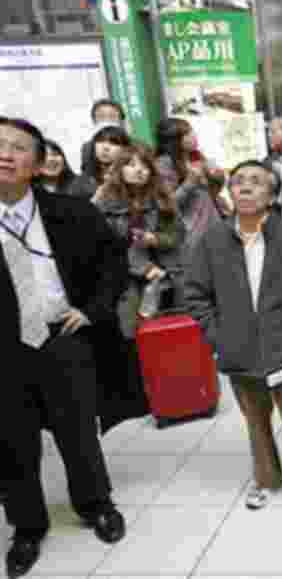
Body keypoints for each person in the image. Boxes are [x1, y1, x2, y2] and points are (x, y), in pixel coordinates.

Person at [0, 119, 141, 579]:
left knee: (78, 431)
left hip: (63, 337)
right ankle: (26, 525)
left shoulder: (72, 212)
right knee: (14, 443)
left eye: (18, 148)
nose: (5, 154)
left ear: (38, 164)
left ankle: (95, 504)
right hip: (5, 351)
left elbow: (112, 265)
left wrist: (93, 310)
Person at [185, 160, 282, 514]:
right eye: (238, 183)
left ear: (272, 194)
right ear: (230, 192)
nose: (246, 188)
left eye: (256, 182)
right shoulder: (213, 239)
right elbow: (195, 294)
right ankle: (266, 478)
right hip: (239, 350)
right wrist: (218, 336)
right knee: (256, 423)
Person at [93, 144, 186, 339]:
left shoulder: (162, 198)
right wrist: (143, 267)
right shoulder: (104, 202)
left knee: (173, 333)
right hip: (126, 280)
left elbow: (178, 236)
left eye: (144, 166)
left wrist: (156, 239)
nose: (139, 170)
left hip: (166, 275)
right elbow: (104, 246)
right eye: (131, 164)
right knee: (133, 335)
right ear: (120, 169)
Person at [155, 118, 221, 254]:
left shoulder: (197, 157)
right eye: (187, 134)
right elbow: (167, 204)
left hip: (213, 227)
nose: (194, 136)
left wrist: (217, 179)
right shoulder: (164, 164)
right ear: (174, 140)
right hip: (190, 236)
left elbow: (210, 195)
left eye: (192, 132)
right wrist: (189, 183)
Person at [67, 125, 131, 199]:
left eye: (114, 143)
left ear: (125, 149)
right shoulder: (81, 182)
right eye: (100, 141)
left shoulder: (131, 177)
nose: (105, 147)